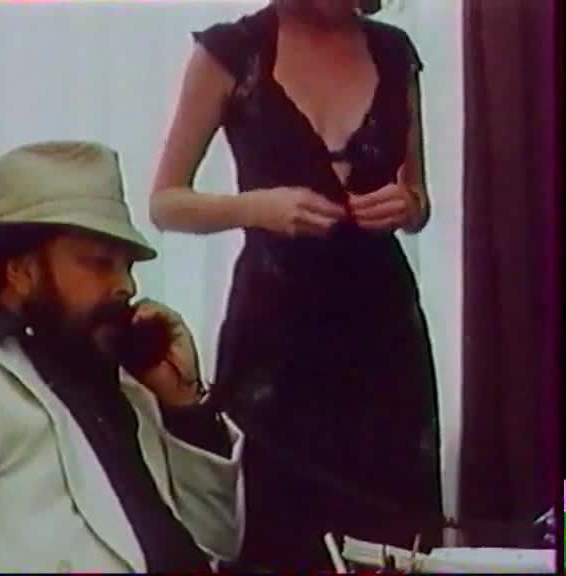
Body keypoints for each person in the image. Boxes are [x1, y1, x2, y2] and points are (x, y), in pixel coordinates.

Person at [0, 141, 244, 573]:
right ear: (21, 271)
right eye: (100, 263)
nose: (127, 286)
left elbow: (216, 540)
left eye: (128, 267)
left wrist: (183, 407)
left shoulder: (115, 367)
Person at [150, 0, 442, 569]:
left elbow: (419, 198)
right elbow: (165, 203)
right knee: (279, 530)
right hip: (275, 333)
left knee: (391, 533)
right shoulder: (231, 52)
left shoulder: (393, 51)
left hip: (382, 331)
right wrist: (256, 207)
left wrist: (408, 205)